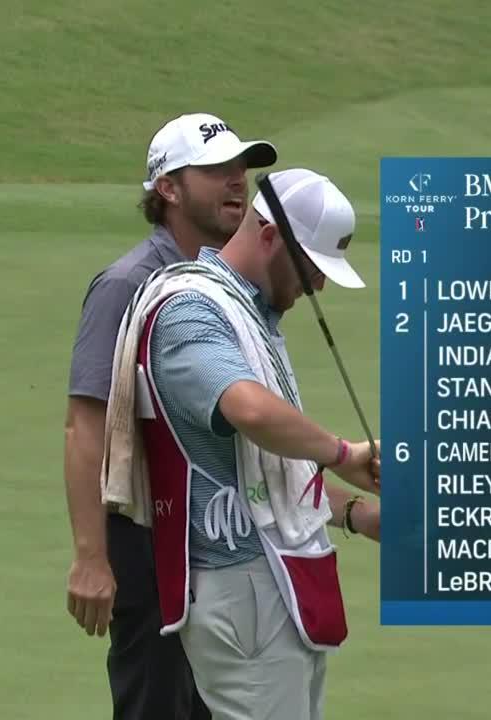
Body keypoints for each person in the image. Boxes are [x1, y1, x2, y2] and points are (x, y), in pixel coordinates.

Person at [99, 167, 379, 720]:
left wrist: (354, 511)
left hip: (275, 580)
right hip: (239, 587)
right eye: (311, 268)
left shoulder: (248, 314)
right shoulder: (189, 310)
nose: (318, 286)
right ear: (269, 235)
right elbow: (247, 409)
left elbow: (262, 473)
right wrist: (342, 454)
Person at [63, 112, 279, 720]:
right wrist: (91, 557)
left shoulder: (233, 283)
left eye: (241, 168)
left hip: (224, 535)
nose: (237, 180)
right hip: (149, 538)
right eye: (215, 170)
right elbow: (84, 426)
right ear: (168, 188)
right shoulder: (127, 284)